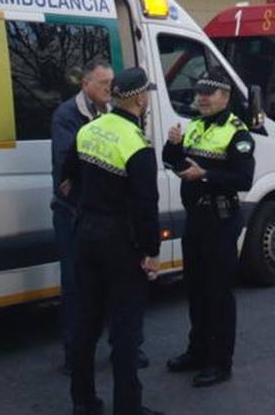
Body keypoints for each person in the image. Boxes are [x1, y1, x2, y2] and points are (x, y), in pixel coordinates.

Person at [63, 67, 163, 415]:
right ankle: (128, 408)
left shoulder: (88, 130)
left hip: (85, 234)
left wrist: (87, 210)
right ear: (138, 98)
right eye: (146, 93)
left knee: (85, 323)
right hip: (120, 243)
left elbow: (67, 179)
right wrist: (151, 251)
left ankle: (84, 402)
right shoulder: (137, 144)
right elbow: (145, 206)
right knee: (125, 331)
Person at [163, 69, 256, 388]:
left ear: (225, 97)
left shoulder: (237, 133)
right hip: (196, 222)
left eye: (209, 92)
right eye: (199, 91)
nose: (201, 97)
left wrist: (205, 175)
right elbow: (175, 163)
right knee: (196, 291)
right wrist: (173, 147)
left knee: (218, 294)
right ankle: (197, 351)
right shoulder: (196, 126)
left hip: (220, 221)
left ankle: (220, 362)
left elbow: (244, 179)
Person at [52, 59, 129, 375]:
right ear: (85, 85)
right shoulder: (66, 115)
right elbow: (69, 169)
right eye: (102, 84)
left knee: (113, 285)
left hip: (102, 214)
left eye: (111, 83)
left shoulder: (110, 112)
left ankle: (121, 352)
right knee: (76, 286)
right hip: (73, 214)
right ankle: (75, 357)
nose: (109, 89)